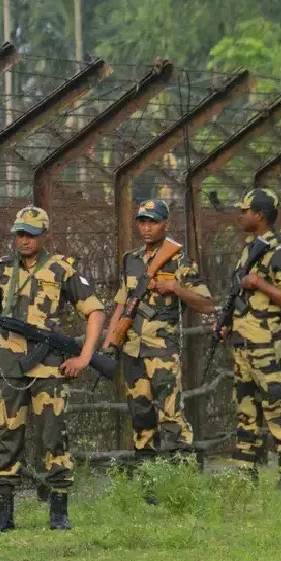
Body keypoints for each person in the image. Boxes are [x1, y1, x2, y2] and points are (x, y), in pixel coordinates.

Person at [0, 206, 105, 532]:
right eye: (20, 233)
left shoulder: (62, 268)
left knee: (53, 436)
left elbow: (94, 312)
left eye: (31, 234)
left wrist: (85, 357)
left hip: (49, 368)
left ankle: (58, 510)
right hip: (8, 367)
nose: (24, 240)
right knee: (7, 436)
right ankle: (4, 514)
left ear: (44, 235)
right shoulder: (1, 268)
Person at [102, 199, 213, 471]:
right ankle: (147, 480)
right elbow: (122, 302)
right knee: (140, 416)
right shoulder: (131, 260)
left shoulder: (180, 261)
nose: (147, 227)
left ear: (166, 224)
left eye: (153, 221)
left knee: (171, 414)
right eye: (142, 221)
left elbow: (206, 303)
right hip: (133, 350)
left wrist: (175, 287)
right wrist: (110, 339)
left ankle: (182, 479)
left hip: (163, 350)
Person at [225, 188, 281, 490]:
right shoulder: (249, 249)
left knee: (276, 406)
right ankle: (245, 471)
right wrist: (227, 324)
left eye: (245, 210)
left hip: (267, 343)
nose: (241, 215)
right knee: (246, 409)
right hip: (244, 342)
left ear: (258, 215)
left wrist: (259, 282)